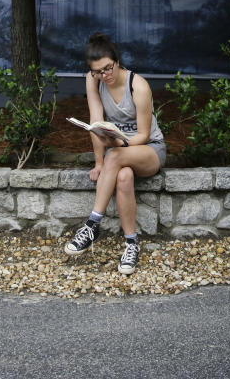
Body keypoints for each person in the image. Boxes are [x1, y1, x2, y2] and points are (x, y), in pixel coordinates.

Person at [62, 33, 167, 275]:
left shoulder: (138, 85)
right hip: (120, 151)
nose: (104, 75)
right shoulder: (94, 80)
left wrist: (118, 144)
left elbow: (143, 134)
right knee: (123, 177)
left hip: (150, 149)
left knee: (116, 157)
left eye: (108, 68)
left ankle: (92, 225)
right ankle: (131, 244)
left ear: (117, 61)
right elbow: (95, 122)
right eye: (98, 72)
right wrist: (99, 162)